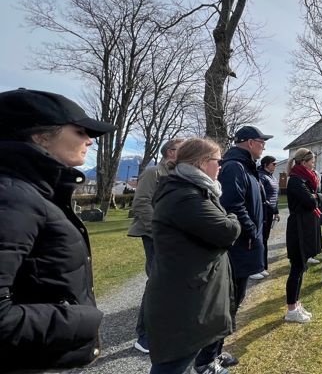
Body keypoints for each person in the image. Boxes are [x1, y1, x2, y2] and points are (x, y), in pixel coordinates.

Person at [0, 88, 115, 371]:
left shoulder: (38, 192)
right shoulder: (14, 197)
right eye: (80, 131)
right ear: (40, 136)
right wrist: (80, 320)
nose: (89, 140)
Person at [144, 138, 241, 374]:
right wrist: (233, 218)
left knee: (183, 356)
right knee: (175, 361)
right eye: (218, 161)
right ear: (202, 162)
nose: (221, 166)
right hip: (184, 294)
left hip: (190, 287)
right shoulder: (185, 195)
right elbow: (226, 231)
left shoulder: (193, 189)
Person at [216, 125, 271, 365]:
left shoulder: (247, 167)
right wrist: (250, 230)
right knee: (228, 301)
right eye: (261, 142)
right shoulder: (234, 167)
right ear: (249, 142)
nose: (264, 146)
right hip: (239, 245)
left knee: (234, 300)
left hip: (246, 243)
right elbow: (233, 205)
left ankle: (215, 351)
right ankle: (210, 356)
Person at [127, 138, 184, 354]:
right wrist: (160, 231)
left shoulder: (180, 173)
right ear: (170, 152)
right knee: (158, 283)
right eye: (182, 149)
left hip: (174, 237)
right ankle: (145, 337)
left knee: (172, 283)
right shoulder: (153, 173)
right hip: (155, 236)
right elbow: (141, 203)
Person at [284, 148, 322, 323]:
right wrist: (316, 196)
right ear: (304, 162)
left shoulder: (304, 179)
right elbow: (310, 201)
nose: (314, 164)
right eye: (312, 161)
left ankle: (296, 304)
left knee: (301, 268)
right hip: (298, 228)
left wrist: (316, 195)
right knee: (296, 269)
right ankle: (291, 310)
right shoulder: (295, 180)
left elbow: (314, 198)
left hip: (305, 225)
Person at [253, 155, 280, 280]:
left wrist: (276, 211)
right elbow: (261, 197)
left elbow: (275, 196)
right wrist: (271, 209)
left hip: (270, 212)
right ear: (266, 164)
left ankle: (262, 266)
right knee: (260, 239)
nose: (275, 166)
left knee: (265, 239)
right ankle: (256, 267)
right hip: (263, 212)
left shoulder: (272, 177)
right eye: (273, 164)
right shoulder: (261, 176)